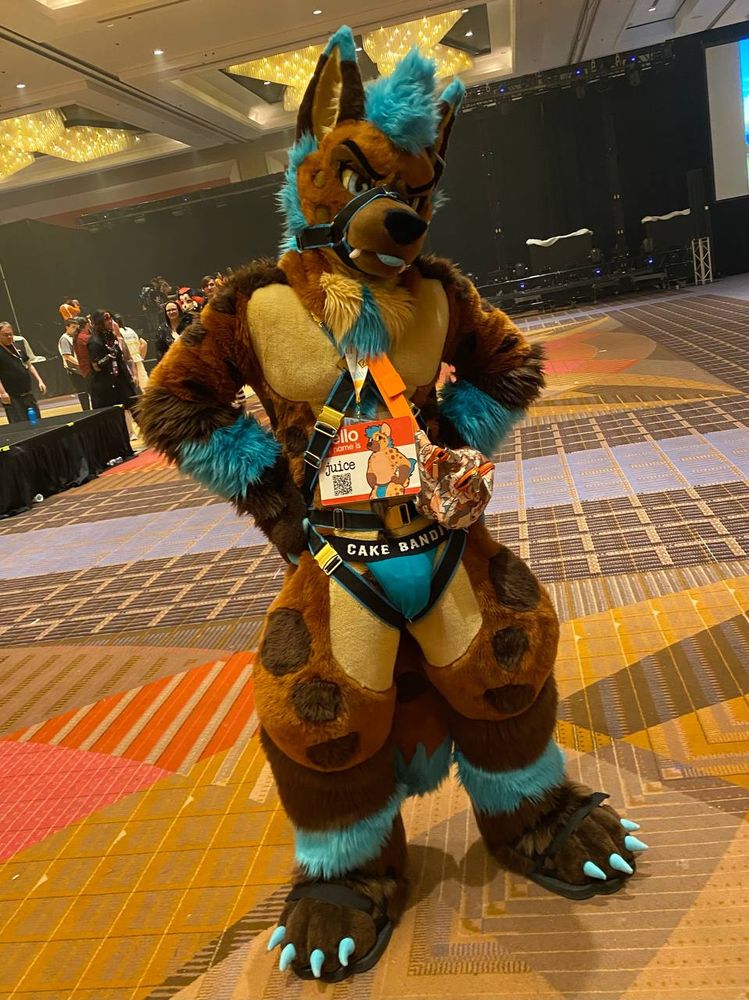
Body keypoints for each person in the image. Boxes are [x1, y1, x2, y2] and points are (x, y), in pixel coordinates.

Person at [87, 309, 138, 437]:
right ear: (99, 322)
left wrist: (119, 337)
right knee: (112, 420)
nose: (110, 321)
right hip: (105, 387)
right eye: (106, 319)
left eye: (110, 318)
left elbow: (125, 356)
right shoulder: (94, 341)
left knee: (136, 407)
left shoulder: (112, 336)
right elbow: (96, 366)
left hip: (120, 380)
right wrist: (109, 356)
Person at [0, 320, 47, 423]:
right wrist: (2, 393)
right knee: (20, 424)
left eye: (10, 334)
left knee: (37, 421)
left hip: (28, 393)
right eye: (5, 335)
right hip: (12, 397)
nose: (9, 337)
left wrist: (40, 381)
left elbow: (29, 365)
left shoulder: (18, 346)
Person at [58, 318, 91, 410]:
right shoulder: (65, 339)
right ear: (67, 327)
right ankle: (87, 411)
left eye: (76, 327)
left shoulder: (76, 337)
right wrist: (81, 364)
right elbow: (67, 356)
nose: (75, 329)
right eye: (73, 327)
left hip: (82, 369)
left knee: (89, 390)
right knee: (83, 392)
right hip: (75, 371)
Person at [113, 314, 148, 391]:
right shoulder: (131, 330)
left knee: (132, 386)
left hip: (128, 362)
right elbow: (144, 343)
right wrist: (141, 357)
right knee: (145, 386)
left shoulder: (117, 333)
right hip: (138, 359)